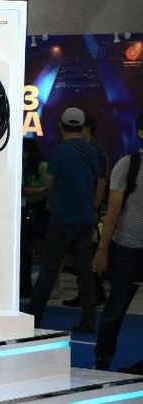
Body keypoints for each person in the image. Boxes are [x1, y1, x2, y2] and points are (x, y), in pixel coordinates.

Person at [27, 107, 103, 332]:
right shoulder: (93, 151)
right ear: (82, 127)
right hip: (85, 218)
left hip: (61, 218)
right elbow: (101, 181)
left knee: (49, 269)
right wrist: (94, 206)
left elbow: (48, 183)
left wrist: (51, 199)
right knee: (84, 271)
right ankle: (88, 320)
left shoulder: (59, 152)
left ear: (61, 126)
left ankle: (34, 317)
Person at [92, 112, 143, 371]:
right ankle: (102, 359)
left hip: (130, 246)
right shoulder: (128, 165)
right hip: (127, 247)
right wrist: (103, 250)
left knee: (116, 306)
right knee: (116, 307)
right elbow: (112, 213)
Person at [64, 114, 110, 307]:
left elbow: (102, 179)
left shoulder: (97, 151)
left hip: (89, 208)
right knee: (82, 252)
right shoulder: (89, 149)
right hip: (81, 207)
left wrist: (95, 205)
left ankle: (93, 293)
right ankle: (90, 293)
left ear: (87, 128)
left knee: (85, 251)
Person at [20, 137, 49, 299]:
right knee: (25, 249)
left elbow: (49, 188)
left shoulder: (42, 166)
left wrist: (31, 191)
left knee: (40, 247)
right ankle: (26, 286)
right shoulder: (23, 165)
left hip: (39, 210)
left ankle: (46, 284)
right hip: (26, 209)